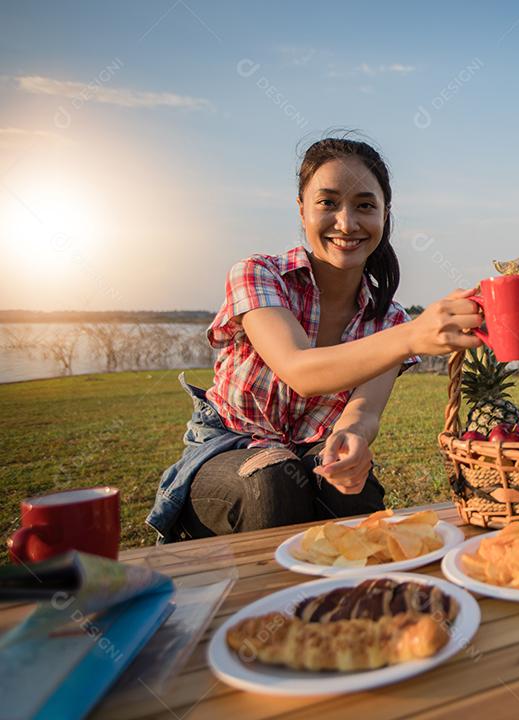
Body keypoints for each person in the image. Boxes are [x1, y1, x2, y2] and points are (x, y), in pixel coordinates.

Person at [147, 137, 482, 542]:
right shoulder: (259, 275)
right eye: (327, 203)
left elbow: (364, 411)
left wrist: (352, 438)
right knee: (272, 482)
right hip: (227, 446)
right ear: (302, 210)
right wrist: (413, 335)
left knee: (352, 494)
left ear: (385, 215)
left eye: (364, 205)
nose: (347, 223)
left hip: (307, 453)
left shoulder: (388, 320)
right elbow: (298, 369)